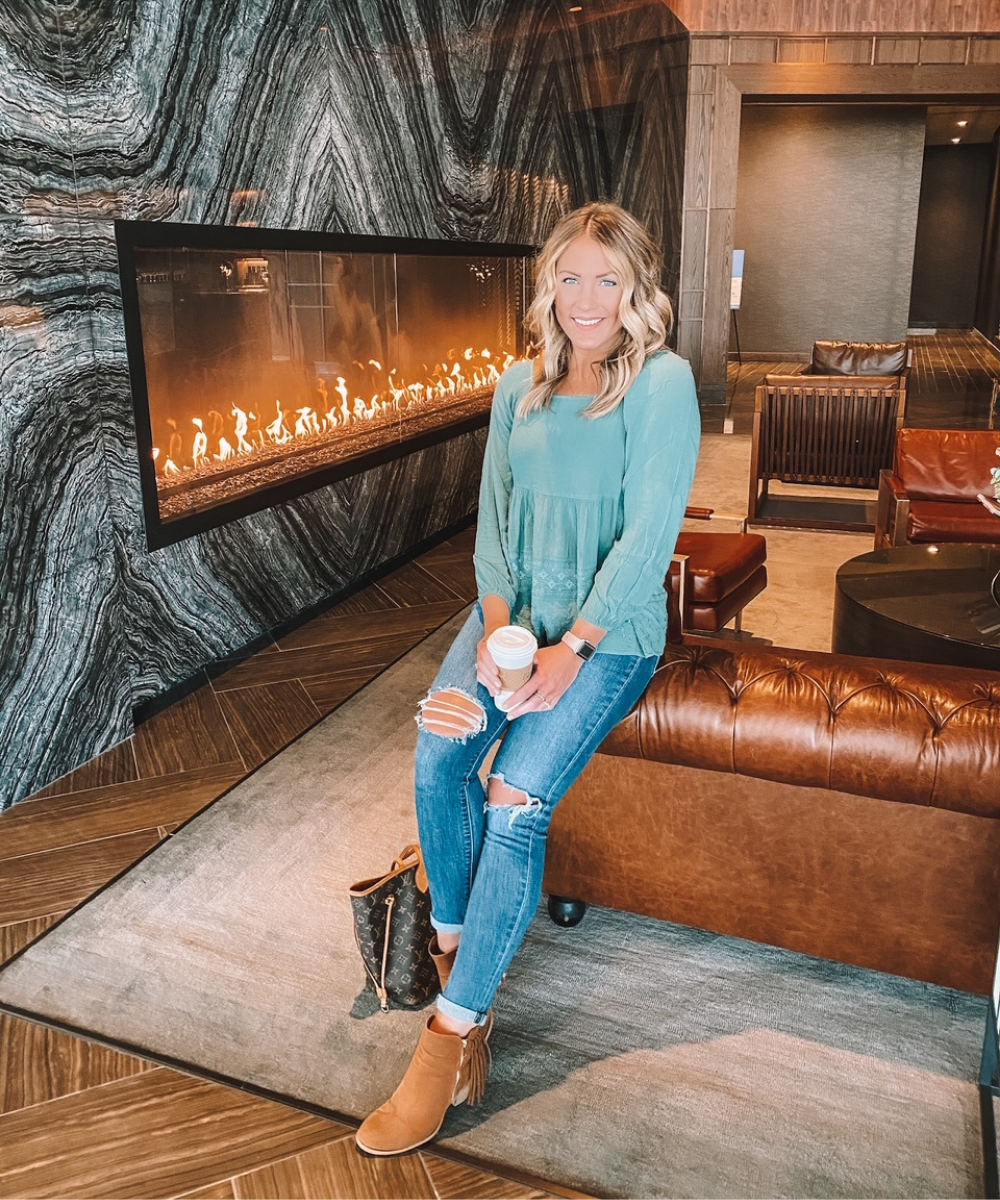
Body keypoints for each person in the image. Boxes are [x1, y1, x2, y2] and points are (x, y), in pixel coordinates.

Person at [355, 202, 701, 1157]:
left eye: (607, 280)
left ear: (635, 290)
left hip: (608, 635)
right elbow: (493, 522)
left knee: (513, 802)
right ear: (548, 285)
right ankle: (459, 951)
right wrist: (500, 627)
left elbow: (648, 538)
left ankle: (450, 1038)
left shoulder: (662, 385)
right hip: (511, 620)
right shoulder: (519, 382)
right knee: (437, 755)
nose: (587, 299)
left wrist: (571, 648)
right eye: (570, 278)